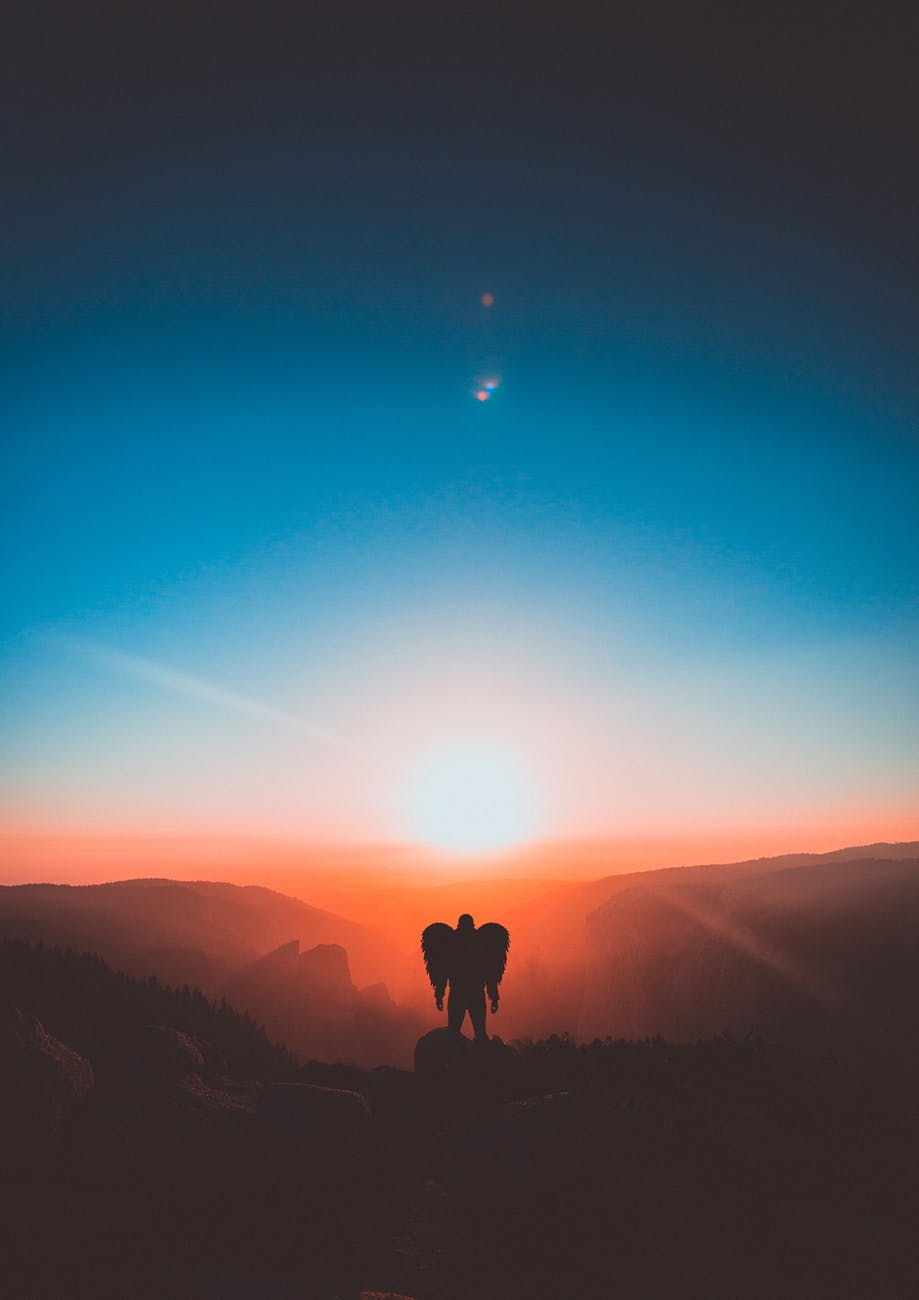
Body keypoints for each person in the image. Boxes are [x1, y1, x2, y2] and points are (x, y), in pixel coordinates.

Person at [421, 913, 510, 1041]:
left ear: (459, 925)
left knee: (453, 1033)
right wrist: (494, 997)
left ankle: (453, 1058)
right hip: (476, 993)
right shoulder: (480, 941)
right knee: (480, 1034)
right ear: (472, 925)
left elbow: (443, 972)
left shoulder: (451, 941)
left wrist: (439, 995)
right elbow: (489, 971)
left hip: (457, 993)